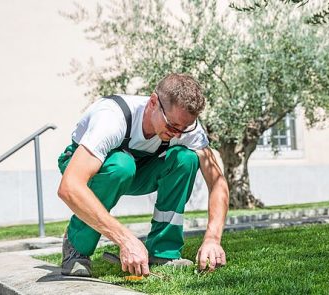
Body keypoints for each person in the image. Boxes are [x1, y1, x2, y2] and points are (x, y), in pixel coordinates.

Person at [57, 73, 229, 277]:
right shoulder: (112, 117)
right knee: (121, 165)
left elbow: (218, 183)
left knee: (186, 159)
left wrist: (212, 238)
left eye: (185, 128)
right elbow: (70, 186)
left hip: (138, 170)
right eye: (172, 126)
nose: (179, 134)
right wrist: (126, 239)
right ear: (153, 102)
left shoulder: (184, 127)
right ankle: (77, 247)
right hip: (92, 167)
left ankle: (163, 252)